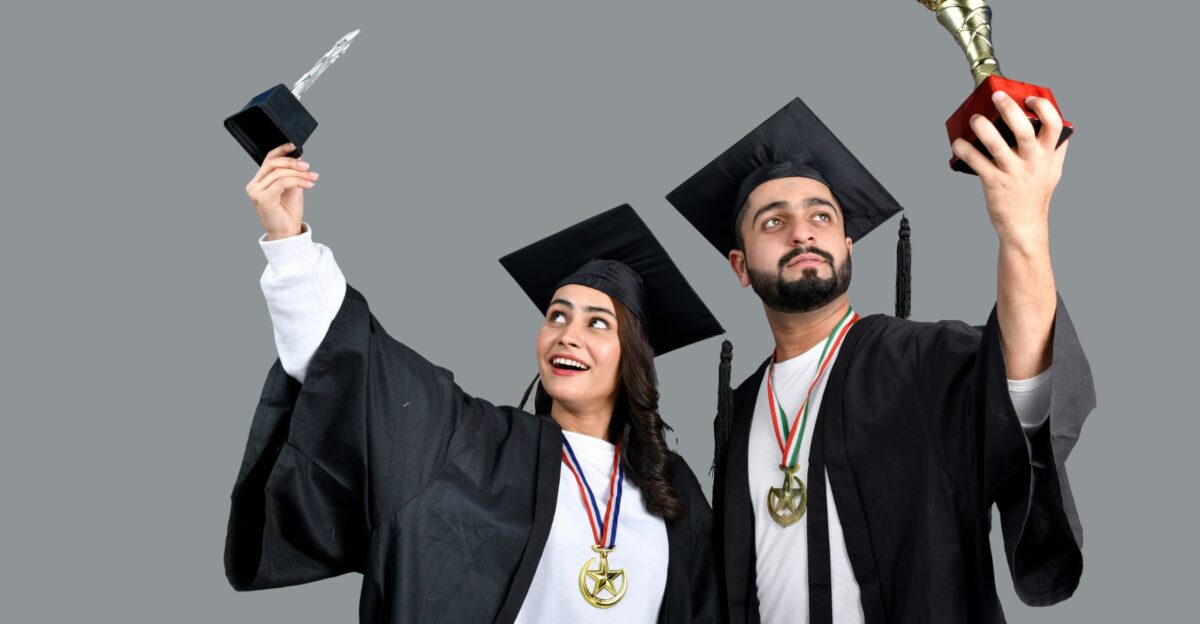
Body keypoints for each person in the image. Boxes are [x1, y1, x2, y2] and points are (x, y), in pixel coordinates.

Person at [224, 143, 725, 623]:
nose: (567, 337)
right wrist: (290, 244)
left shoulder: (675, 490)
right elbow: (358, 369)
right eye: (556, 316)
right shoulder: (481, 448)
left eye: (597, 323)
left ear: (632, 357)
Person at [665, 95, 1095, 623]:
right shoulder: (740, 409)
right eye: (772, 223)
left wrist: (1023, 233)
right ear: (740, 266)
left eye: (821, 216)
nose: (802, 232)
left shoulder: (918, 360)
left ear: (848, 246)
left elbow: (1022, 397)